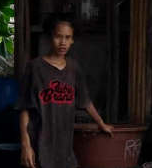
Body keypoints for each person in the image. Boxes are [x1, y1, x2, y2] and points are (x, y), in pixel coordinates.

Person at [18, 17, 114, 168]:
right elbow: (25, 108)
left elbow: (85, 100)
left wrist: (101, 124)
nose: (63, 42)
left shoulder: (74, 68)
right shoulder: (35, 67)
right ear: (50, 37)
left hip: (64, 144)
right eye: (58, 36)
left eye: (68, 37)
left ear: (72, 40)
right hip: (39, 142)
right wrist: (25, 145)